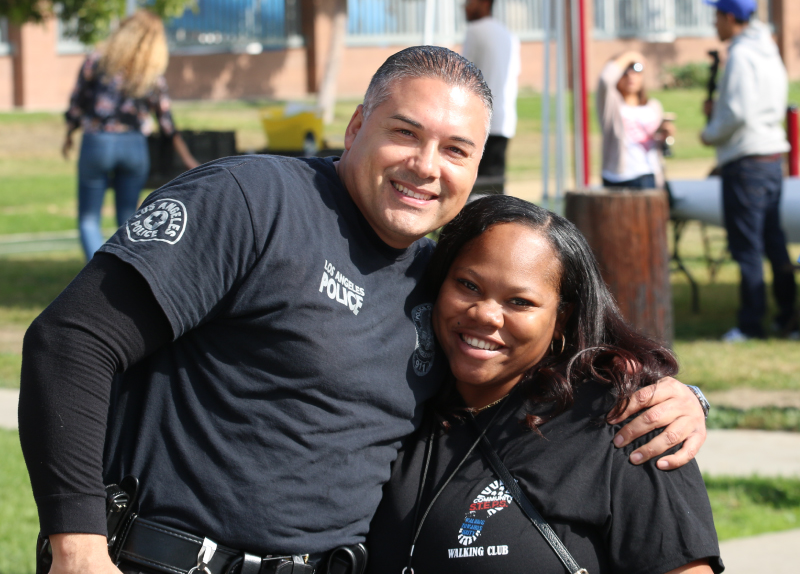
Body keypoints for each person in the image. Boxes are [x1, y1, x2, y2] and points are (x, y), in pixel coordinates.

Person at [20, 47, 708, 574]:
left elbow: (533, 365)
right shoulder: (254, 200)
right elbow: (72, 341)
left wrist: (677, 397)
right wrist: (78, 546)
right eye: (405, 133)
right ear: (357, 125)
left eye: (456, 150)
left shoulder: (441, 285)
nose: (426, 165)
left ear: (476, 168)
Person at [367, 195, 722, 574]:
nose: (486, 314)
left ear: (561, 319)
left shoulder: (627, 421)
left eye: (519, 301)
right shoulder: (394, 401)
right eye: (468, 285)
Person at [700, 0, 797, 342]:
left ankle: (750, 324)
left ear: (729, 17)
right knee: (774, 242)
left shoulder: (741, 55)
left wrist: (710, 133)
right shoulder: (768, 49)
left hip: (746, 160)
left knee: (747, 247)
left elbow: (737, 112)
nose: (714, 22)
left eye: (716, 15)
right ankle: (788, 318)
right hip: (772, 157)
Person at [63, 10, 199, 261]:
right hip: (135, 148)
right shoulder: (150, 72)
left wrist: (69, 134)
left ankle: (93, 277)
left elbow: (77, 105)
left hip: (98, 143)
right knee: (129, 221)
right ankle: (120, 278)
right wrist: (188, 159)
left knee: (89, 218)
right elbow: (167, 123)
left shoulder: (97, 60)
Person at [461, 0, 520, 183]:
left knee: (476, 188)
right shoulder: (509, 35)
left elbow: (462, 75)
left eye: (470, 2)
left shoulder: (475, 30)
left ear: (485, 3)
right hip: (504, 119)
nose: (465, 7)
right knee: (495, 187)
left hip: (479, 120)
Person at [597, 51, 673, 189]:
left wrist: (665, 135)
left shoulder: (653, 106)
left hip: (650, 174)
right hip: (620, 177)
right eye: (625, 72)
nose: (631, 76)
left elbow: (654, 144)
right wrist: (630, 55)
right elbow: (605, 79)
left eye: (636, 71)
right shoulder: (612, 104)